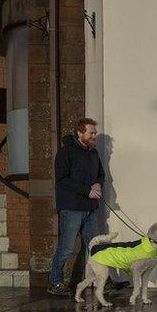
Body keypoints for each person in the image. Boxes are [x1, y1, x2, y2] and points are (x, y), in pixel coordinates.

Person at [47, 118, 105, 296]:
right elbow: (62, 180)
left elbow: (101, 174)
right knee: (66, 247)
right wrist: (86, 191)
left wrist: (97, 184)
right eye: (91, 133)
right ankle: (55, 282)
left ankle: (103, 281)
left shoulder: (93, 153)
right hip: (71, 208)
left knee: (95, 246)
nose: (94, 136)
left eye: (95, 133)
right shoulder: (66, 153)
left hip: (90, 208)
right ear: (80, 133)